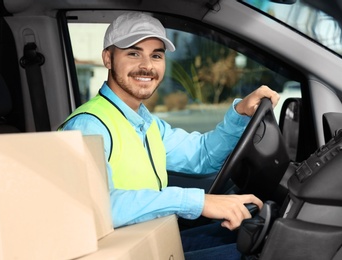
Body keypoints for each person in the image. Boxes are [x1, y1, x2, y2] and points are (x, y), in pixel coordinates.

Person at [59, 12, 280, 259]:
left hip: (150, 239)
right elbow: (98, 208)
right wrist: (199, 202)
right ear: (108, 58)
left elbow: (202, 155)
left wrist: (240, 113)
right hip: (120, 252)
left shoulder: (146, 123)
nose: (147, 65)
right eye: (133, 53)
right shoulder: (88, 126)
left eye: (156, 55)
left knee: (262, 242)